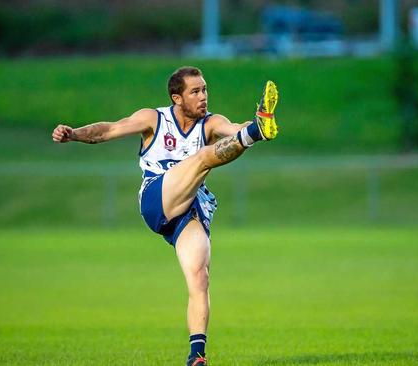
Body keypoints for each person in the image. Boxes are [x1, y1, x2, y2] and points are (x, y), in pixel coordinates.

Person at [51, 66, 279, 366]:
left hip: (188, 210)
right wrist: (74, 134)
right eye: (195, 92)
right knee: (200, 160)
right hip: (156, 199)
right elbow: (110, 129)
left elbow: (233, 128)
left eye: (205, 89)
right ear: (177, 97)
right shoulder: (154, 118)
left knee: (200, 277)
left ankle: (196, 356)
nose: (203, 97)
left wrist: (252, 124)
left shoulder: (210, 123)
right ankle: (255, 134)